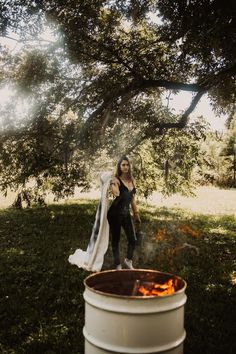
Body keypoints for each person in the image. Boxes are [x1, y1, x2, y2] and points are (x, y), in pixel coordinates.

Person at [107, 156, 141, 270]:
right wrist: (113, 182)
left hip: (126, 213)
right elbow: (116, 194)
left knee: (133, 239)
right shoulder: (116, 180)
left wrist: (136, 214)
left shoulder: (132, 180)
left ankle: (128, 260)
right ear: (119, 167)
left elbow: (132, 199)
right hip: (114, 214)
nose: (125, 167)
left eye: (127, 165)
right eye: (123, 165)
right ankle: (117, 264)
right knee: (115, 240)